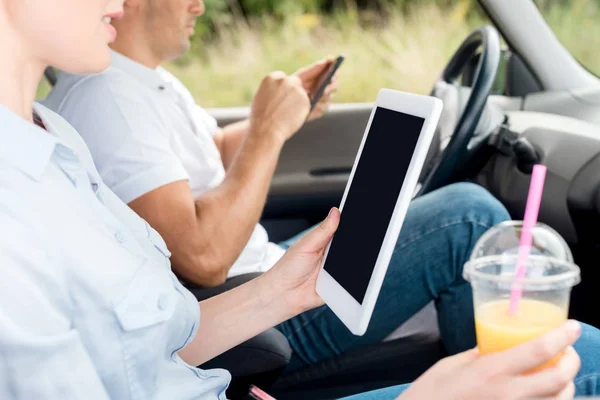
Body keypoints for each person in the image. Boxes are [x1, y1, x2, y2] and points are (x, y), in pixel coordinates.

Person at [2, 1, 600, 399]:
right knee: (477, 227)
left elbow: (141, 349)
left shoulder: (58, 144)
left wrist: (275, 294)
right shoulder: (16, 222)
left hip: (237, 335)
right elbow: (202, 260)